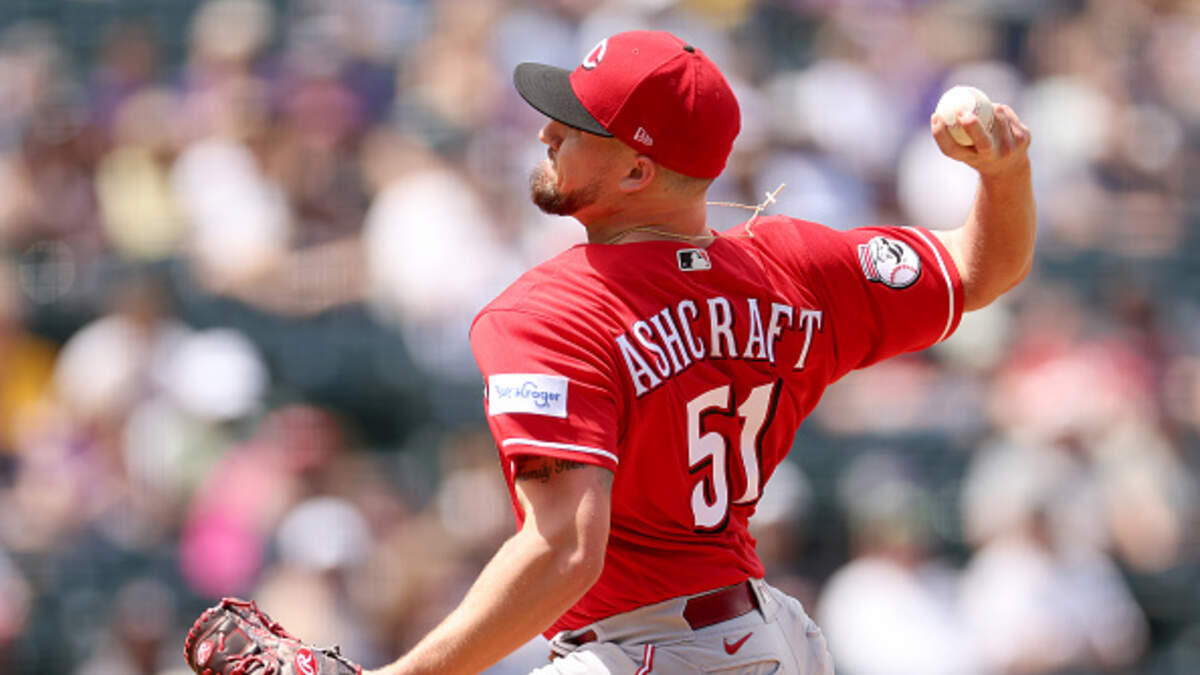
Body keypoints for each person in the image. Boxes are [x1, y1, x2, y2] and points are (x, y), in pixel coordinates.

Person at [369, 29, 1034, 675]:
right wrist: (1005, 172)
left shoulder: (551, 312)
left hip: (647, 648)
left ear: (637, 169)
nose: (548, 132)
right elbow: (982, 272)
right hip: (764, 637)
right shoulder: (795, 266)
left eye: (577, 125)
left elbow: (565, 550)